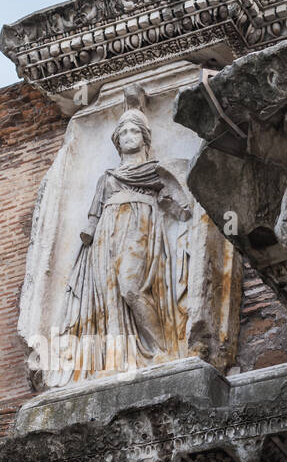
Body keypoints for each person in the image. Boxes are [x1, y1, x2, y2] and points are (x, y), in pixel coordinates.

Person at [52, 91, 192, 384]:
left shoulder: (154, 171)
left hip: (140, 225)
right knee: (109, 296)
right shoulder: (108, 176)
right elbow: (94, 212)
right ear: (117, 140)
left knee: (131, 287)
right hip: (106, 234)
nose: (128, 136)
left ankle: (162, 349)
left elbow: (180, 201)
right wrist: (89, 234)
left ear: (144, 137)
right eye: (123, 132)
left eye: (134, 131)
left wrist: (176, 202)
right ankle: (119, 359)